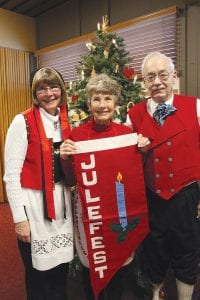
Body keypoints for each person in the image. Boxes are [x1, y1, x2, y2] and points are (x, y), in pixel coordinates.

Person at [60, 73, 150, 300]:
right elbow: (71, 180)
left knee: (119, 259)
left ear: (116, 102)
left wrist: (142, 149)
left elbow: (136, 176)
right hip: (90, 210)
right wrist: (64, 158)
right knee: (92, 262)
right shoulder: (77, 136)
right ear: (89, 103)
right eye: (96, 99)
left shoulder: (126, 134)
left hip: (118, 212)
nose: (102, 105)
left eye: (107, 99)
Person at [127, 51, 200, 300]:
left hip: (186, 196)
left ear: (174, 76)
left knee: (187, 250)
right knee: (154, 252)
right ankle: (156, 294)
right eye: (150, 77)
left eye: (162, 75)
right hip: (151, 198)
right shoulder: (133, 115)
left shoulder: (195, 106)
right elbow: (124, 163)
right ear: (143, 82)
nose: (156, 81)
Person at [4, 67, 74, 300]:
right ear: (35, 93)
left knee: (61, 272)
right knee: (38, 277)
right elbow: (11, 175)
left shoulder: (67, 120)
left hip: (61, 206)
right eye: (42, 88)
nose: (49, 93)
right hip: (33, 207)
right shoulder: (21, 122)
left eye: (54, 87)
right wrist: (19, 220)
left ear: (61, 90)